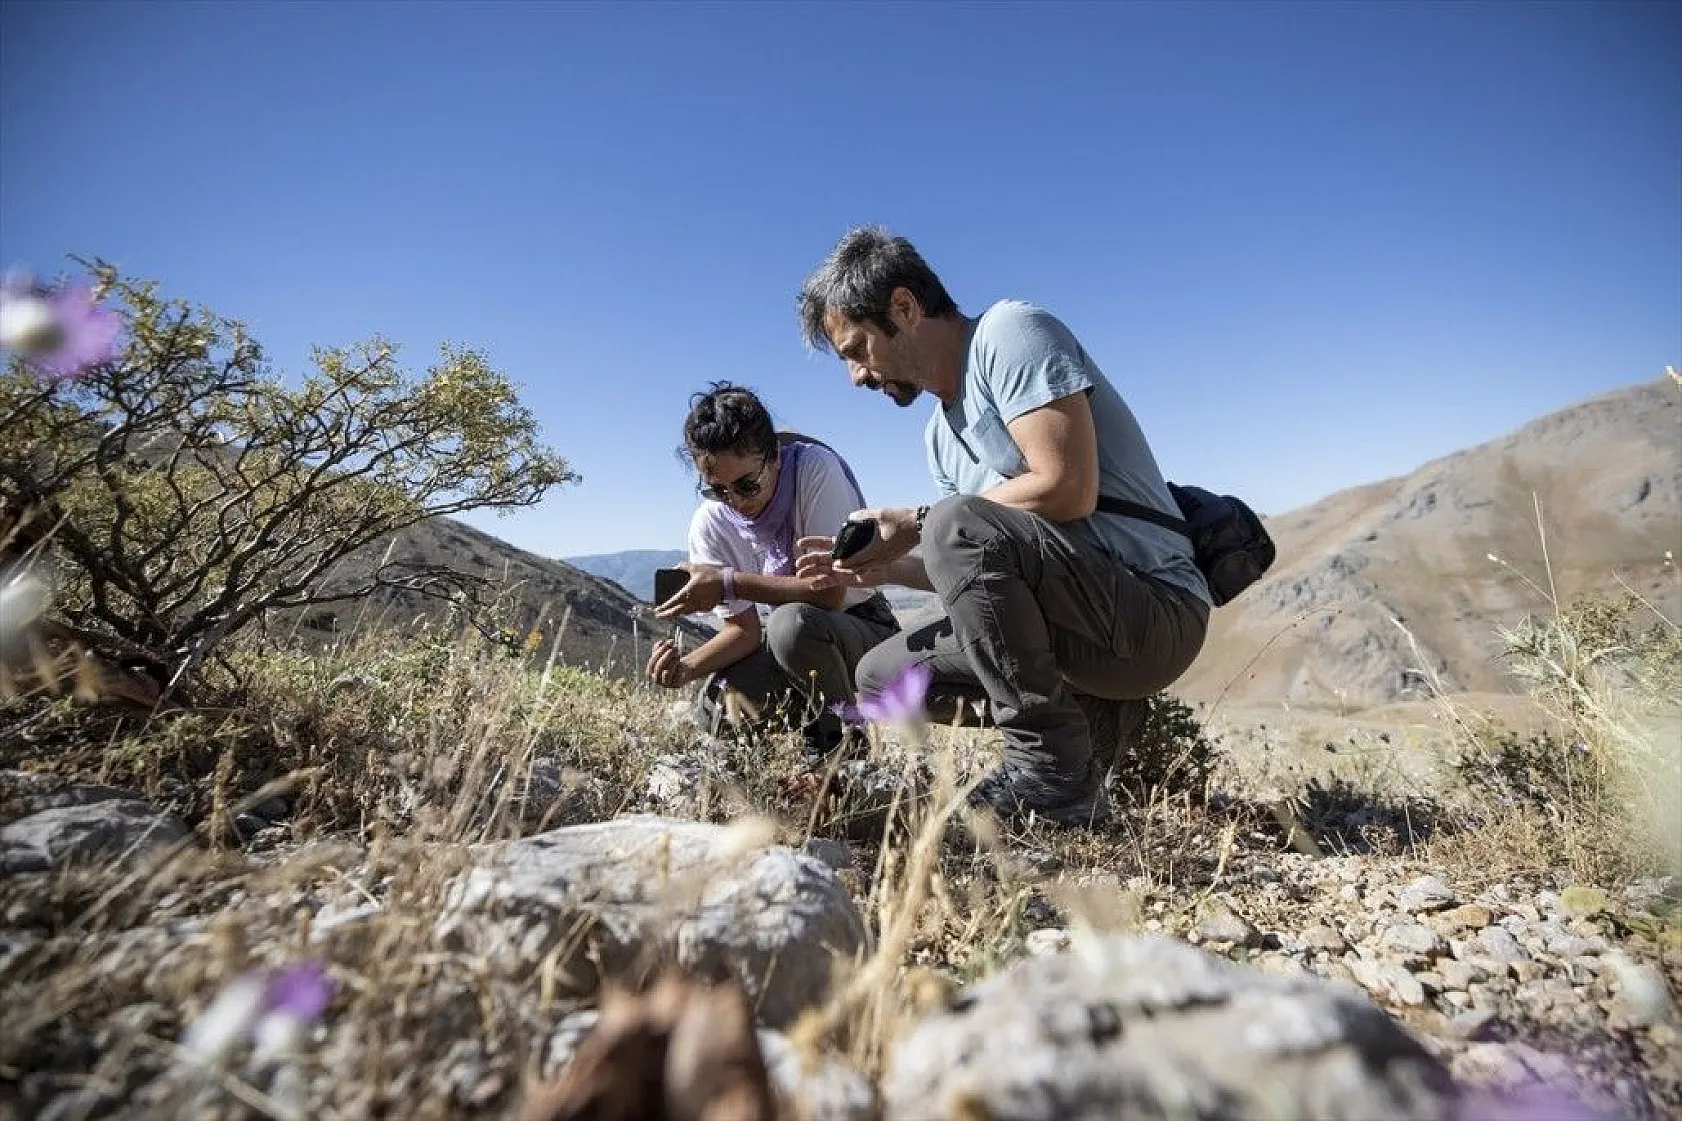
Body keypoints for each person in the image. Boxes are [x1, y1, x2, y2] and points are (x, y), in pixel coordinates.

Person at [792, 226, 1211, 828]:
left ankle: (1051, 771)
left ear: (904, 309)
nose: (857, 376)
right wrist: (885, 565)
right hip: (1081, 620)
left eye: (857, 350)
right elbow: (977, 570)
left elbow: (1067, 485)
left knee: (955, 522)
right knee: (881, 679)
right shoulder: (940, 433)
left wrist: (917, 523)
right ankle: (1090, 728)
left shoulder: (1009, 333)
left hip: (1153, 609)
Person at [647, 381, 900, 766]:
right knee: (719, 708)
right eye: (719, 490)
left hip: (860, 630)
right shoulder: (710, 523)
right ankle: (777, 769)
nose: (736, 501)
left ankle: (841, 754)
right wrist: (685, 669)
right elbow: (744, 631)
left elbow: (828, 594)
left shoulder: (814, 470)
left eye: (747, 485)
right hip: (787, 646)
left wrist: (728, 582)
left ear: (775, 457)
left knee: (790, 624)